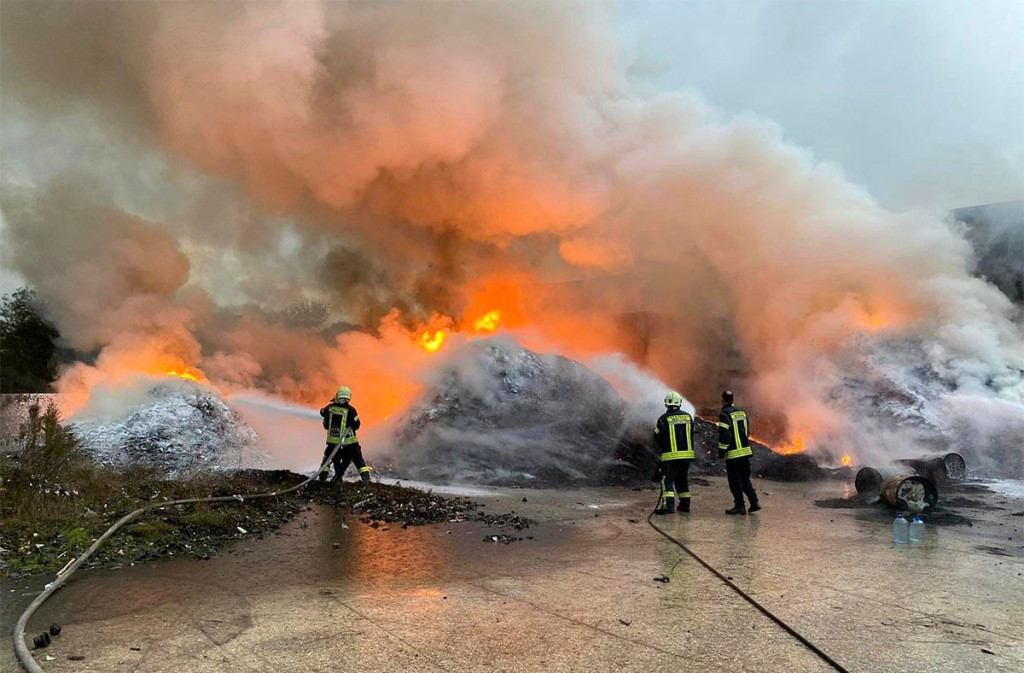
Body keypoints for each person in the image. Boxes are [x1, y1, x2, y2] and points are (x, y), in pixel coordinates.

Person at [317, 386, 372, 484]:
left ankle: (324, 477)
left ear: (338, 395)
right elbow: (357, 425)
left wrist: (322, 410)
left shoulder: (329, 408)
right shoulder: (351, 410)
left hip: (333, 442)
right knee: (358, 459)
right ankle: (366, 479)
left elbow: (323, 413)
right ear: (349, 397)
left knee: (329, 458)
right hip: (350, 443)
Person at [718, 390, 760, 515]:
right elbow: (747, 432)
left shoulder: (724, 415)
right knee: (745, 479)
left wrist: (722, 452)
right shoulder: (741, 412)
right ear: (733, 399)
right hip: (745, 452)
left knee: (734, 481)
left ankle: (739, 506)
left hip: (733, 454)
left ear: (722, 399)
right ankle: (754, 502)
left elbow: (724, 436)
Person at [653, 391, 696, 514]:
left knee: (667, 480)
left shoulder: (663, 419)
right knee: (682, 480)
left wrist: (664, 446)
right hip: (686, 456)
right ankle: (685, 505)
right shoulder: (688, 417)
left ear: (666, 403)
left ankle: (668, 506)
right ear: (680, 403)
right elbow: (692, 433)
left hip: (671, 457)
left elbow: (657, 437)